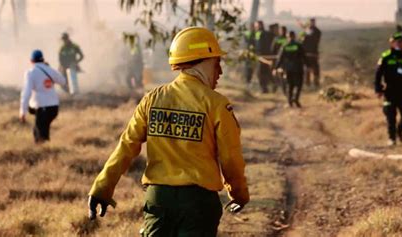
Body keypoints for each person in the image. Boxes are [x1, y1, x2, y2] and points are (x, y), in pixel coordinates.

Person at [88, 27, 250, 236]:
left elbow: (126, 146)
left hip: (158, 200)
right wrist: (239, 194)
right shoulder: (216, 104)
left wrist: (101, 188)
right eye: (217, 63)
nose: (220, 72)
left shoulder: (152, 99)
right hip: (198, 205)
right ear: (204, 61)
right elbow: (231, 158)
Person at [375, 33, 402, 146]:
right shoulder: (385, 56)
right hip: (389, 91)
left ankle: (399, 131)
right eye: (397, 42)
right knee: (390, 115)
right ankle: (391, 138)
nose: (400, 44)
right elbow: (378, 75)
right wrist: (378, 89)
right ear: (392, 43)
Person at [20, 50, 67, 144]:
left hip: (42, 107)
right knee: (39, 130)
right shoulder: (49, 70)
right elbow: (63, 81)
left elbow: (26, 92)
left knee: (40, 135)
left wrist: (22, 111)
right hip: (54, 107)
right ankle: (45, 150)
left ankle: (45, 152)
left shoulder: (30, 72)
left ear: (31, 61)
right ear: (42, 59)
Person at [276, 31, 306, 108]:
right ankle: (296, 98)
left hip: (288, 69)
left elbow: (280, 58)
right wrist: (309, 66)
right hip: (298, 69)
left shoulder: (284, 46)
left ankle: (289, 101)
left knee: (290, 85)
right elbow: (304, 57)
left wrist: (276, 67)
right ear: (294, 36)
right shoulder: (299, 45)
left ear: (287, 37)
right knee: (298, 85)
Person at [300, 18, 322, 88]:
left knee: (315, 69)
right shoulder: (307, 31)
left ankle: (316, 83)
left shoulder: (316, 31)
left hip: (313, 53)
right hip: (306, 53)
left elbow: (315, 39)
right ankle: (308, 83)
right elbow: (302, 40)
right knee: (307, 69)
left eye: (312, 22)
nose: (312, 24)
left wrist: (306, 30)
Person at [254, 20, 273, 93]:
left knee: (262, 72)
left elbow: (265, 45)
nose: (255, 27)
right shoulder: (257, 33)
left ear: (260, 25)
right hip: (260, 55)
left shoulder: (264, 34)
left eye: (257, 25)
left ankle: (265, 88)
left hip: (263, 55)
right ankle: (265, 88)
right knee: (262, 72)